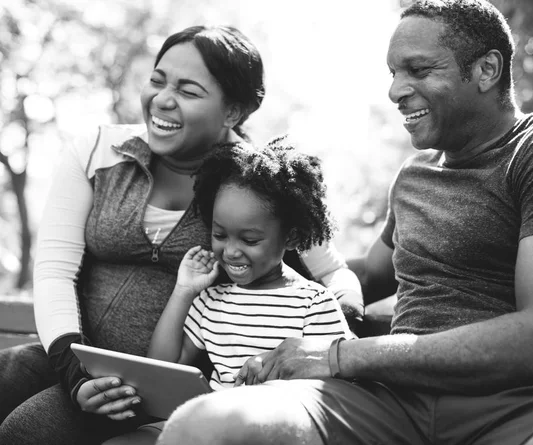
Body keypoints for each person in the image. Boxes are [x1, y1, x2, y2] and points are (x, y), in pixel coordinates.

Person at [154, 1, 533, 444]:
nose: (395, 91)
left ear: (486, 70)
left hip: (528, 403)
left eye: (419, 70)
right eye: (393, 73)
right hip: (395, 403)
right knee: (203, 425)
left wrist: (338, 354)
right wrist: (256, 261)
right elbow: (366, 274)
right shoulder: (414, 175)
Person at [0, 25, 362, 445]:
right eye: (157, 80)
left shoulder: (256, 185)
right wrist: (75, 371)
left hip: (158, 389)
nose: (163, 100)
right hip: (75, 357)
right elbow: (53, 273)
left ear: (234, 111)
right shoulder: (97, 152)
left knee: (26, 433)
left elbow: (333, 273)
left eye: (188, 91)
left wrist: (325, 331)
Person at [105, 140, 353, 444]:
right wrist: (183, 291)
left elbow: (340, 383)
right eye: (219, 234)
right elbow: (163, 365)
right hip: (205, 421)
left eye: (249, 240)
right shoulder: (211, 300)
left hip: (275, 429)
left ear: (291, 238)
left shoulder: (313, 302)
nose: (231, 251)